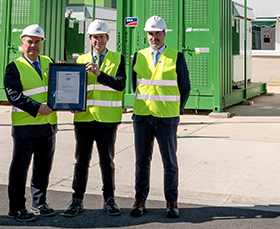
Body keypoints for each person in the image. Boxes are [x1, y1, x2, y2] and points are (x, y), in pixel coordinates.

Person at [63, 20, 126, 217]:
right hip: (84, 119)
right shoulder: (80, 59)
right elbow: (74, 89)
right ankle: (77, 200)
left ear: (107, 38)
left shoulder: (118, 59)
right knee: (81, 161)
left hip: (107, 120)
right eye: (95, 37)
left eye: (102, 36)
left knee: (106, 161)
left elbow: (120, 85)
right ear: (89, 39)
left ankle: (109, 199)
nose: (98, 40)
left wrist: (100, 74)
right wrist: (70, 102)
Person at [130, 15, 191, 219]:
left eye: (157, 33)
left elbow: (185, 88)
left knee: (169, 163)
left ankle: (171, 202)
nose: (154, 36)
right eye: (150, 33)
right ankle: (140, 200)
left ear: (165, 34)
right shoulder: (138, 56)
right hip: (142, 117)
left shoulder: (177, 57)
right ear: (146, 35)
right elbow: (135, 85)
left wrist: (176, 110)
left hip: (166, 118)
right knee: (141, 162)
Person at [4, 24, 57, 222]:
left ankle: (39, 203)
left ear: (41, 43)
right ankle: (16, 208)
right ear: (22, 43)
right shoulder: (14, 67)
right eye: (29, 41)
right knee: (20, 168)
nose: (33, 45)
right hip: (25, 126)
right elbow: (13, 95)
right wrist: (37, 108)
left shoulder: (48, 62)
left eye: (37, 42)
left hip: (48, 125)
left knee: (43, 168)